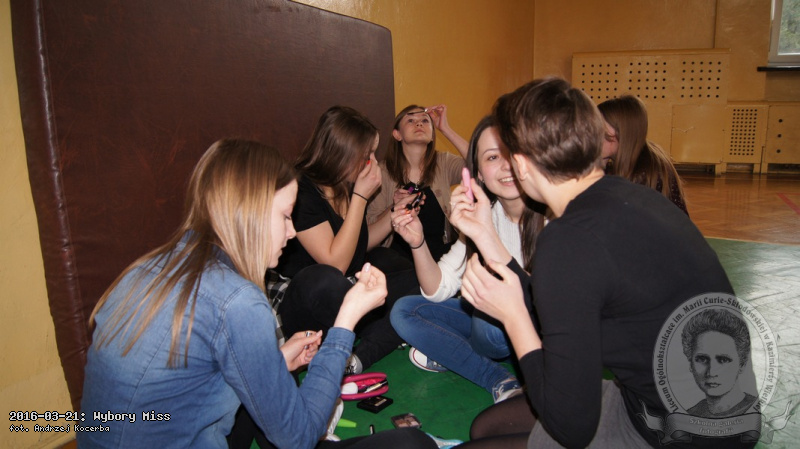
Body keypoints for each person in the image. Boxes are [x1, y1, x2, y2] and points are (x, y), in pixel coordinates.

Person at [450, 78, 752, 448]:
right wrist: (484, 233)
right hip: (682, 408)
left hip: (679, 436)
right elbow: (563, 297)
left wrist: (513, 317)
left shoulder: (569, 240)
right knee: (485, 428)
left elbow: (571, 429)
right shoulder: (630, 197)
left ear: (523, 166)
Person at [79, 139, 436, 449]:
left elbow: (182, 390)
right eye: (285, 216)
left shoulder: (145, 268)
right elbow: (298, 438)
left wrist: (274, 360)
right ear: (249, 214)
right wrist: (346, 321)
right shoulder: (238, 301)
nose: (292, 232)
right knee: (412, 444)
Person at [389, 116, 544, 403]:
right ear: (479, 174)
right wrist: (417, 242)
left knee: (488, 318)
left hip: (531, 323)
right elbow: (438, 288)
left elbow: (548, 302)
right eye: (493, 157)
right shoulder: (485, 213)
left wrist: (485, 235)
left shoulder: (552, 213)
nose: (506, 165)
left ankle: (454, 353)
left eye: (512, 152)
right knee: (404, 311)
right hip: (489, 322)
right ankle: (500, 379)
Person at [274, 106, 416, 375]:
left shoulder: (343, 183)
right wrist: (361, 198)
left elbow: (359, 244)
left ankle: (361, 354)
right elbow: (334, 264)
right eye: (367, 155)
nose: (373, 162)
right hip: (307, 295)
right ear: (342, 153)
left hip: (345, 286)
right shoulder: (301, 189)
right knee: (325, 280)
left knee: (410, 273)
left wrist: (394, 213)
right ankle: (390, 328)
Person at [367, 104, 468, 263]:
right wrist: (394, 206)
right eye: (411, 120)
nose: (419, 123)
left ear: (432, 135)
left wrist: (446, 129)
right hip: (399, 259)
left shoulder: (444, 162)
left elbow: (479, 165)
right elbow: (370, 228)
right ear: (397, 134)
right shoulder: (381, 172)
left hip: (442, 255)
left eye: (425, 120)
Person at [598, 95, 688, 214]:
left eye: (600, 131)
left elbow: (610, 217)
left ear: (622, 134)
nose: (591, 138)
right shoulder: (644, 153)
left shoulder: (642, 175)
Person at [682, 308, 758, 418]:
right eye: (702, 359)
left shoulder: (758, 411)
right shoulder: (688, 415)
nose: (711, 372)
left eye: (723, 360)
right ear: (690, 364)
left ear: (742, 364)